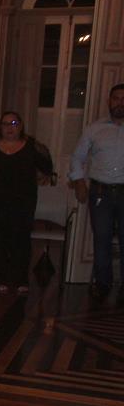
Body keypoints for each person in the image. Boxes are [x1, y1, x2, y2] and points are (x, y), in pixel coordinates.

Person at [0, 111, 53, 293]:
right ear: (0, 127)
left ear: (21, 126)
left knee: (21, 239)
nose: (10, 128)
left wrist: (38, 178)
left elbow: (47, 167)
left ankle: (19, 279)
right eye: (5, 124)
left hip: (22, 201)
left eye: (14, 123)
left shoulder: (32, 146)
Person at [70, 83, 124, 301]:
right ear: (109, 101)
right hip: (101, 192)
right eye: (116, 98)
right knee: (101, 238)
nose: (120, 103)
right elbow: (77, 157)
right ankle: (102, 283)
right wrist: (78, 182)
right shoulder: (95, 129)